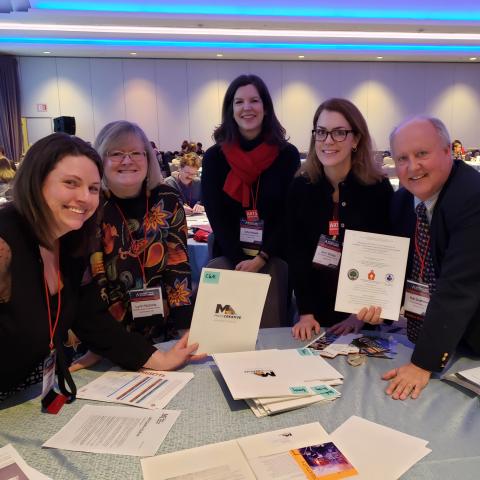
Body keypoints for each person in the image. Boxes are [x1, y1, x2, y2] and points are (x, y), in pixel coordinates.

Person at [0, 133, 201, 400]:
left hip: (33, 394)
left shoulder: (69, 240)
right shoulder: (5, 242)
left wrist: (157, 359)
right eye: (71, 183)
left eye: (93, 188)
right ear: (36, 182)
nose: (84, 197)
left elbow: (90, 317)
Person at [365, 116, 480, 400]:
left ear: (447, 151)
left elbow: (458, 288)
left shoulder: (473, 197)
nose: (412, 166)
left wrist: (422, 363)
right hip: (436, 331)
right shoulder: (404, 200)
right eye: (402, 157)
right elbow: (395, 263)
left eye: (422, 154)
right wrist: (372, 300)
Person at [70, 121, 195, 370]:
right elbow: (89, 281)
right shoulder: (90, 205)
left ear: (148, 158)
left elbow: (177, 266)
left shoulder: (168, 200)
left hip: (165, 333)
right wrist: (99, 344)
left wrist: (185, 329)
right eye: (116, 153)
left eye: (136, 153)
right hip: (108, 337)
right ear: (100, 161)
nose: (128, 160)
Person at [288, 98, 393, 341]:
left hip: (363, 312)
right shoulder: (300, 187)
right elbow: (297, 253)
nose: (328, 141)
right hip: (313, 311)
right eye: (322, 132)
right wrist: (305, 312)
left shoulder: (378, 189)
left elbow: (383, 255)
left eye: (339, 133)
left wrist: (360, 314)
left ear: (356, 139)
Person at [202, 74, 300, 327]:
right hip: (229, 257)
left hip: (275, 256)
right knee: (229, 328)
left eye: (254, 100)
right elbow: (216, 214)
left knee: (273, 324)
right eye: (239, 102)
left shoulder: (286, 155)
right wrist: (239, 261)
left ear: (265, 107)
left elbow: (288, 214)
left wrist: (262, 258)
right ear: (230, 110)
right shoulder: (215, 157)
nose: (247, 108)